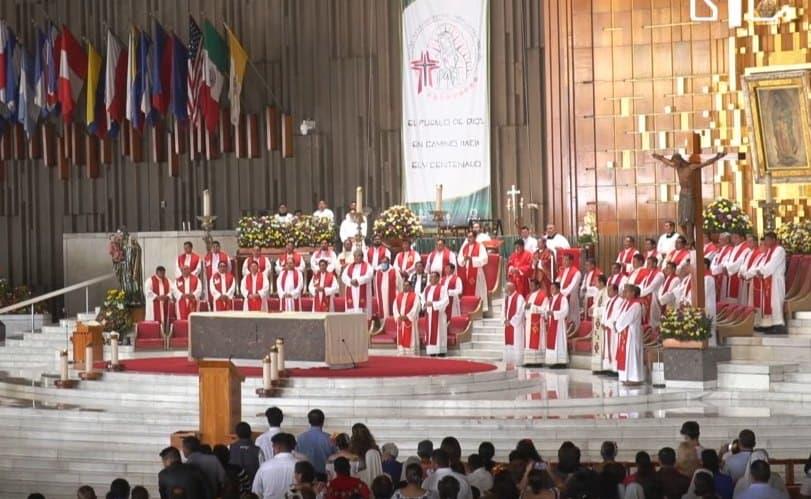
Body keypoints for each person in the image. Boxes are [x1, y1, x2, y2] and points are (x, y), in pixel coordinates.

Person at [753, 232, 786, 333]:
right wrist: (758, 270)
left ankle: (779, 325)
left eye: (767, 240)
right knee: (770, 303)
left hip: (776, 280)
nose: (765, 242)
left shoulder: (779, 250)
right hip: (769, 278)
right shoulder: (770, 251)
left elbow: (772, 264)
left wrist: (762, 271)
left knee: (775, 303)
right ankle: (769, 324)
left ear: (773, 240)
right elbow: (763, 263)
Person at [252, 432, 299, 499]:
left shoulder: (264, 467)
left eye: (273, 446)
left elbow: (256, 492)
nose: (272, 450)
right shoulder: (300, 466)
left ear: (278, 447)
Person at [614, 285, 644, 385]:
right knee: (625, 356)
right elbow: (619, 315)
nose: (624, 293)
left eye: (627, 291)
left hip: (631, 334)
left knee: (631, 356)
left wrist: (617, 325)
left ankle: (634, 378)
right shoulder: (626, 303)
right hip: (624, 332)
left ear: (633, 293)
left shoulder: (636, 305)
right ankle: (625, 377)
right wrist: (615, 323)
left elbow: (627, 318)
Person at [297, 409, 336, 477]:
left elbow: (297, 456)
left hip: (306, 476)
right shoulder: (330, 439)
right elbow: (334, 457)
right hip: (324, 475)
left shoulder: (300, 438)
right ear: (323, 421)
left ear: (309, 421)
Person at [457, 231, 489, 310]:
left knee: (478, 291)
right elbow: (459, 258)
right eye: (468, 237)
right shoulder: (464, 247)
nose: (469, 239)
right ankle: (467, 308)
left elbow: (485, 259)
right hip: (466, 273)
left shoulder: (480, 246)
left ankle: (479, 309)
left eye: (471, 237)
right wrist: (463, 260)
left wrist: (472, 259)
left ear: (475, 237)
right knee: (466, 290)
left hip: (477, 272)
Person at [342, 250, 374, 320]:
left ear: (362, 257)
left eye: (358, 256)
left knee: (363, 311)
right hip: (351, 291)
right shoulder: (349, 266)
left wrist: (358, 281)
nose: (356, 258)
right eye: (355, 256)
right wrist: (350, 281)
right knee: (351, 312)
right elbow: (343, 276)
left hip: (363, 292)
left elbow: (369, 276)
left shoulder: (368, 266)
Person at [423, 271, 450, 356]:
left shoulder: (443, 288)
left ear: (438, 278)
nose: (432, 279)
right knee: (430, 333)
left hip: (439, 315)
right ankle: (431, 352)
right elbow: (422, 299)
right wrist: (424, 303)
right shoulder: (426, 289)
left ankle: (441, 351)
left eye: (434, 277)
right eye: (430, 277)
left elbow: (446, 301)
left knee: (439, 333)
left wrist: (433, 304)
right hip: (429, 314)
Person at [544, 281, 569, 367]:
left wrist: (554, 313)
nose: (551, 290)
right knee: (552, 343)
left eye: (553, 288)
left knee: (559, 342)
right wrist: (546, 313)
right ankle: (553, 361)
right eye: (551, 288)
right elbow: (547, 309)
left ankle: (561, 362)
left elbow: (565, 311)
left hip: (559, 325)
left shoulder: (563, 298)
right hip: (552, 324)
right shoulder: (551, 299)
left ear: (558, 289)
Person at [722, 233, 752, 305]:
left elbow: (740, 262)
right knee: (730, 299)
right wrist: (725, 266)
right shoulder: (734, 248)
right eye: (733, 238)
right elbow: (727, 259)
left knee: (739, 299)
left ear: (742, 238)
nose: (733, 240)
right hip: (730, 274)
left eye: (736, 238)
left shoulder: (746, 249)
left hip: (737, 276)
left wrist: (728, 269)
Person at [600, 283, 623, 373]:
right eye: (608, 290)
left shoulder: (620, 301)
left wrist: (608, 324)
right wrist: (603, 322)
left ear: (616, 291)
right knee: (607, 348)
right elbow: (605, 313)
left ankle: (615, 368)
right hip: (607, 328)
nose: (608, 292)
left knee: (614, 347)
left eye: (610, 290)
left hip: (613, 329)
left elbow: (616, 315)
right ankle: (608, 367)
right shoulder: (608, 301)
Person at [524, 279, 548, 366]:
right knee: (528, 341)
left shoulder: (543, 295)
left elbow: (545, 309)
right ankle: (529, 361)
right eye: (530, 285)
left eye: (532, 285)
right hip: (529, 321)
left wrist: (532, 306)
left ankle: (538, 362)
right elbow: (526, 309)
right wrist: (525, 307)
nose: (530, 287)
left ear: (537, 286)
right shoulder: (528, 296)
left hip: (538, 322)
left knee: (537, 342)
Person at [394, 280, 421, 355]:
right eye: (404, 285)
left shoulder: (415, 296)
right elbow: (395, 307)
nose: (405, 287)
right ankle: (402, 352)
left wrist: (407, 317)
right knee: (401, 337)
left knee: (411, 338)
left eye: (407, 285)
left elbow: (416, 308)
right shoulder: (399, 296)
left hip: (410, 321)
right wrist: (398, 316)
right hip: (401, 322)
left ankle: (411, 353)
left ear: (410, 287)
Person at [589, 275, 610, 372]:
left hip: (602, 321)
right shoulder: (598, 292)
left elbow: (606, 307)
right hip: (596, 321)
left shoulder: (606, 292)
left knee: (602, 342)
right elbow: (596, 303)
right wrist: (592, 308)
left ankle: (602, 366)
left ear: (602, 282)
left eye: (596, 281)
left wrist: (595, 310)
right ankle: (597, 366)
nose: (595, 283)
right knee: (597, 343)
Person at [503, 281, 526, 365]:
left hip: (516, 327)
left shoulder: (519, 298)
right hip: (508, 326)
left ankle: (518, 361)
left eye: (506, 289)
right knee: (508, 344)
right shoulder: (506, 298)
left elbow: (520, 312)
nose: (505, 291)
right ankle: (509, 361)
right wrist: (504, 320)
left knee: (516, 343)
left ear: (512, 288)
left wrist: (511, 321)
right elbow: (503, 311)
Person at [557, 253, 582, 329]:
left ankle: (573, 332)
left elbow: (571, 288)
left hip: (571, 298)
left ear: (571, 261)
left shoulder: (576, 272)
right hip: (561, 297)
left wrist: (560, 293)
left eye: (566, 260)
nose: (563, 261)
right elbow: (557, 282)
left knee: (572, 317)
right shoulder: (562, 271)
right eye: (563, 259)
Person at [639, 256, 664, 328]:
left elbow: (652, 287)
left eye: (649, 263)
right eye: (647, 263)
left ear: (655, 264)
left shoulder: (659, 274)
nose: (647, 265)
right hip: (646, 298)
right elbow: (642, 284)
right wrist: (637, 290)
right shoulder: (649, 273)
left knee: (653, 321)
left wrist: (640, 294)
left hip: (654, 299)